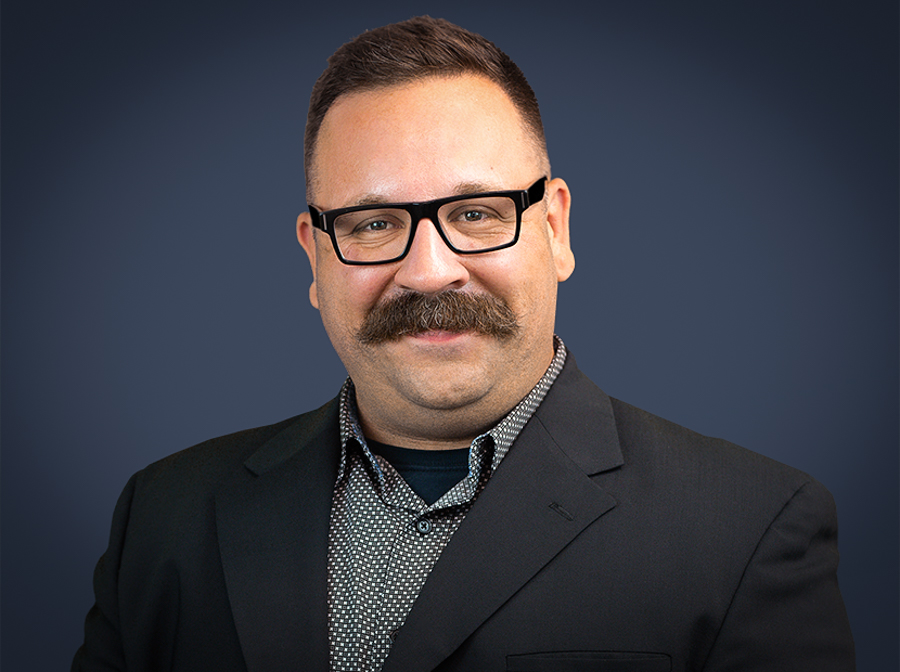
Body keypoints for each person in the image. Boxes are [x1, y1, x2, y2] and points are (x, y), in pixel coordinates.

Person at [72, 16, 855, 672]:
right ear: (315, 257)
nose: (428, 271)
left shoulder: (750, 528)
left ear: (555, 229)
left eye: (476, 213)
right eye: (373, 224)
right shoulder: (164, 516)